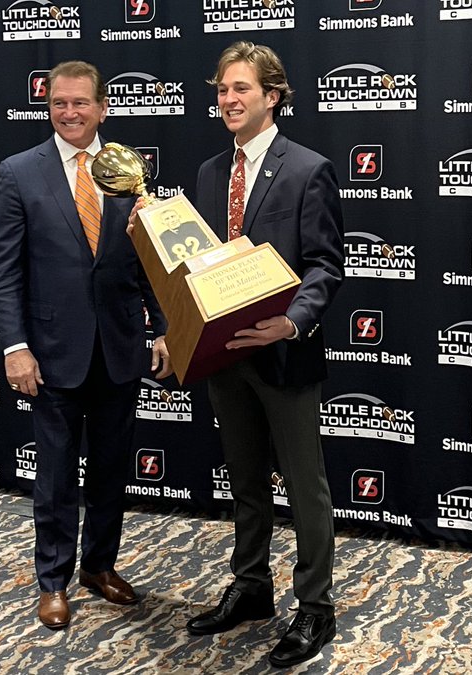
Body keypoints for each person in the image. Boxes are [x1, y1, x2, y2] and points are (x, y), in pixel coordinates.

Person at [0, 60, 170, 630]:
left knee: (112, 470)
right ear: (49, 107)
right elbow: (4, 270)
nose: (69, 112)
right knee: (57, 474)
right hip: (51, 353)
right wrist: (15, 346)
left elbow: (147, 262)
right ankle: (53, 581)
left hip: (118, 349)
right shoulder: (19, 172)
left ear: (103, 107)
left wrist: (163, 326)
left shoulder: (127, 170)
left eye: (81, 103)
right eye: (59, 103)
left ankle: (99, 567)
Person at [190, 42, 345, 667]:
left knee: (305, 487)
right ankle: (252, 586)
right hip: (225, 357)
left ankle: (315, 607)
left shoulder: (308, 169)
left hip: (284, 355)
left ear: (272, 95)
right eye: (222, 89)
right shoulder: (206, 174)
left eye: (241, 89)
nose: (228, 100)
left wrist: (290, 322)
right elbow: (199, 266)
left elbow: (325, 266)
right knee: (245, 480)